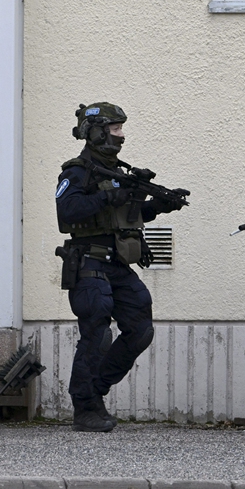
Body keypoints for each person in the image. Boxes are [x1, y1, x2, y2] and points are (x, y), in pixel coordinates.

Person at [54, 103, 183, 432]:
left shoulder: (119, 172)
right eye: (115, 129)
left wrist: (160, 206)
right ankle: (84, 408)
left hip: (116, 263)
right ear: (96, 132)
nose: (121, 136)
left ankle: (95, 391)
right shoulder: (76, 171)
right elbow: (67, 211)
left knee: (140, 328)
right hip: (87, 261)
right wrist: (106, 197)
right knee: (96, 331)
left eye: (121, 129)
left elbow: (126, 215)